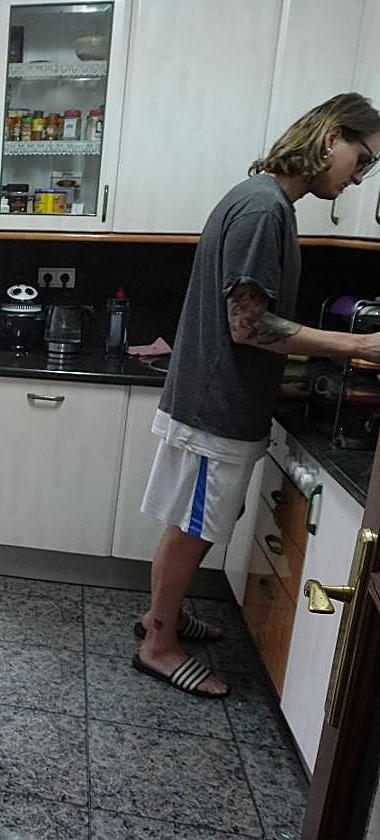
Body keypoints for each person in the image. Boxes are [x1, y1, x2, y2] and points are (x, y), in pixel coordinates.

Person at [136, 93, 380, 698]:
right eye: (363, 158)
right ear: (330, 139)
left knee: (192, 524)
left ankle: (164, 613)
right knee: (191, 529)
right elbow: (248, 326)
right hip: (215, 409)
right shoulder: (264, 209)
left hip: (219, 403)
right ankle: (159, 644)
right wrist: (357, 345)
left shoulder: (266, 202)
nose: (360, 176)